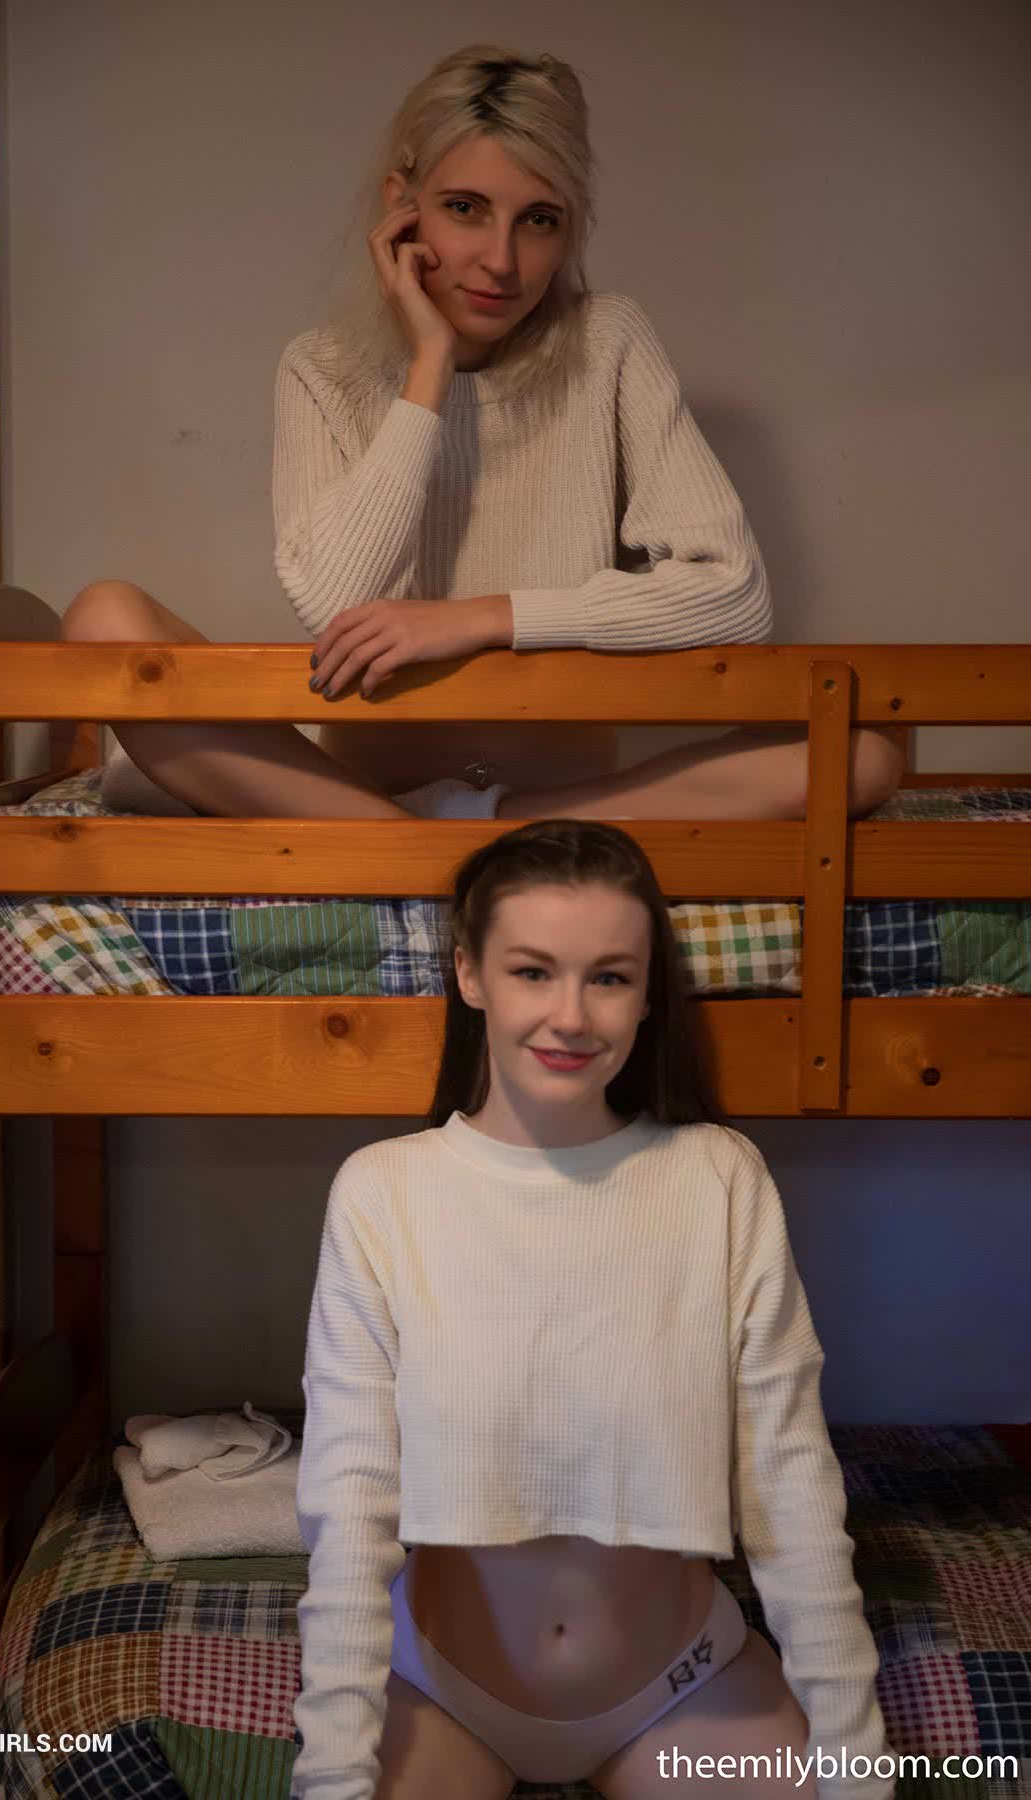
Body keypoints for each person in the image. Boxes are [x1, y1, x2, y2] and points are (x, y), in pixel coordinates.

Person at [60, 44, 905, 826]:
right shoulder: (320, 367)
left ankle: (470, 841)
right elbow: (332, 604)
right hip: (359, 798)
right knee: (103, 617)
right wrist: (428, 368)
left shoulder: (609, 340)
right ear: (402, 209)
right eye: (465, 209)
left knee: (865, 757)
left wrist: (481, 619)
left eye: (538, 220)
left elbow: (735, 596)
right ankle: (406, 841)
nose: (501, 261)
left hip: (564, 806)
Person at [290, 817, 895, 1800]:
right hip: (440, 1690)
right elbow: (350, 1505)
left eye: (609, 977)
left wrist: (854, 1763)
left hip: (682, 1688)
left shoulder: (718, 1178)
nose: (570, 1016)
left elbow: (789, 1480)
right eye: (533, 971)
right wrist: (332, 1774)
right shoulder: (383, 1191)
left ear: (648, 994)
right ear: (470, 974)